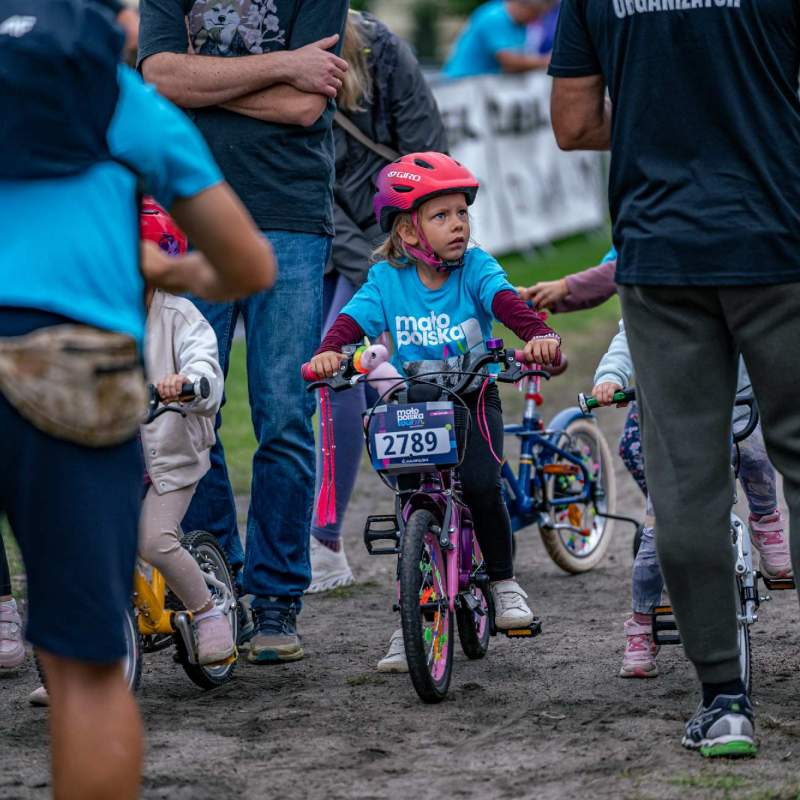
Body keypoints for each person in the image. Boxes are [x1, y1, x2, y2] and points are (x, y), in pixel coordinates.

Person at [0, 2, 275, 795]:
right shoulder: (118, 96)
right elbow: (249, 266)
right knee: (85, 672)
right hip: (69, 360)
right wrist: (173, 272)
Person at [550, 0, 800, 757]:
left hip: (662, 249)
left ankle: (724, 700)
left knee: (686, 476)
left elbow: (574, 123)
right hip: (778, 234)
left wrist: (665, 117)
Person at [139, 0, 349, 665]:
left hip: (288, 211)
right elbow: (159, 79)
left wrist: (204, 90)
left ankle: (278, 597)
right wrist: (285, 64)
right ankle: (215, 586)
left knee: (284, 411)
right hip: (188, 215)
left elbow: (305, 108)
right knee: (187, 403)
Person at [308, 152, 562, 672]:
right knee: (411, 503)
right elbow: (352, 320)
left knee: (482, 484)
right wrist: (330, 351)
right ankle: (412, 624)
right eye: (441, 215)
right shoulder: (385, 280)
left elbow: (508, 304)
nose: (458, 225)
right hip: (416, 403)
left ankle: (505, 583)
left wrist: (538, 335)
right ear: (408, 231)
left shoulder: (476, 267)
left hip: (472, 396)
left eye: (462, 213)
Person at [307, 9, 448, 594]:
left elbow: (426, 154)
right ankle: (304, 536)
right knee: (305, 378)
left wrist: (396, 247)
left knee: (342, 372)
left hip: (387, 236)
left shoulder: (381, 49)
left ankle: (324, 539)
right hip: (305, 232)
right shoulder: (259, 52)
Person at [443, 0, 559, 80]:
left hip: (482, 85)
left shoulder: (520, 24)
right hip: (462, 84)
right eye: (536, 13)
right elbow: (509, 62)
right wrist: (546, 61)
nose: (537, 19)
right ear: (525, 6)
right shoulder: (495, 17)